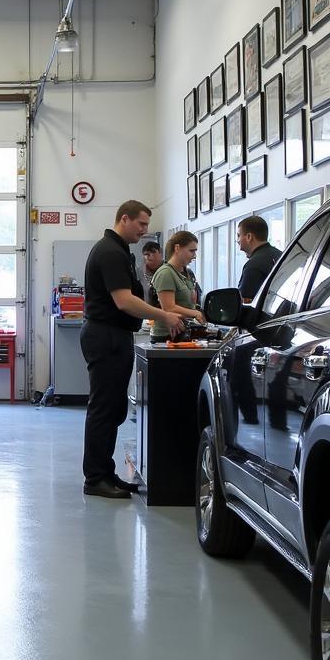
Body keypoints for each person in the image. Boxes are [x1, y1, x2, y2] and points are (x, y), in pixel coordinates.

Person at [80, 200, 185, 499]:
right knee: (104, 409)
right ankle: (95, 479)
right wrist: (164, 314)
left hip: (115, 335)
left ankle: (105, 471)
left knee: (113, 408)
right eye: (140, 225)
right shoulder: (110, 252)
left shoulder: (119, 250)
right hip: (106, 336)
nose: (144, 232)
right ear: (124, 219)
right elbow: (124, 301)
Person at [150, 231, 206, 340]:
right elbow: (169, 308)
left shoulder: (188, 273)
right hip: (167, 335)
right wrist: (194, 313)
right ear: (177, 248)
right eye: (191, 251)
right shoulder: (166, 273)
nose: (194, 256)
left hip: (184, 331)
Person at [237, 215, 282, 303]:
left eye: (238, 235)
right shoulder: (282, 255)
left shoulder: (253, 266)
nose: (237, 240)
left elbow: (245, 303)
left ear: (249, 237)